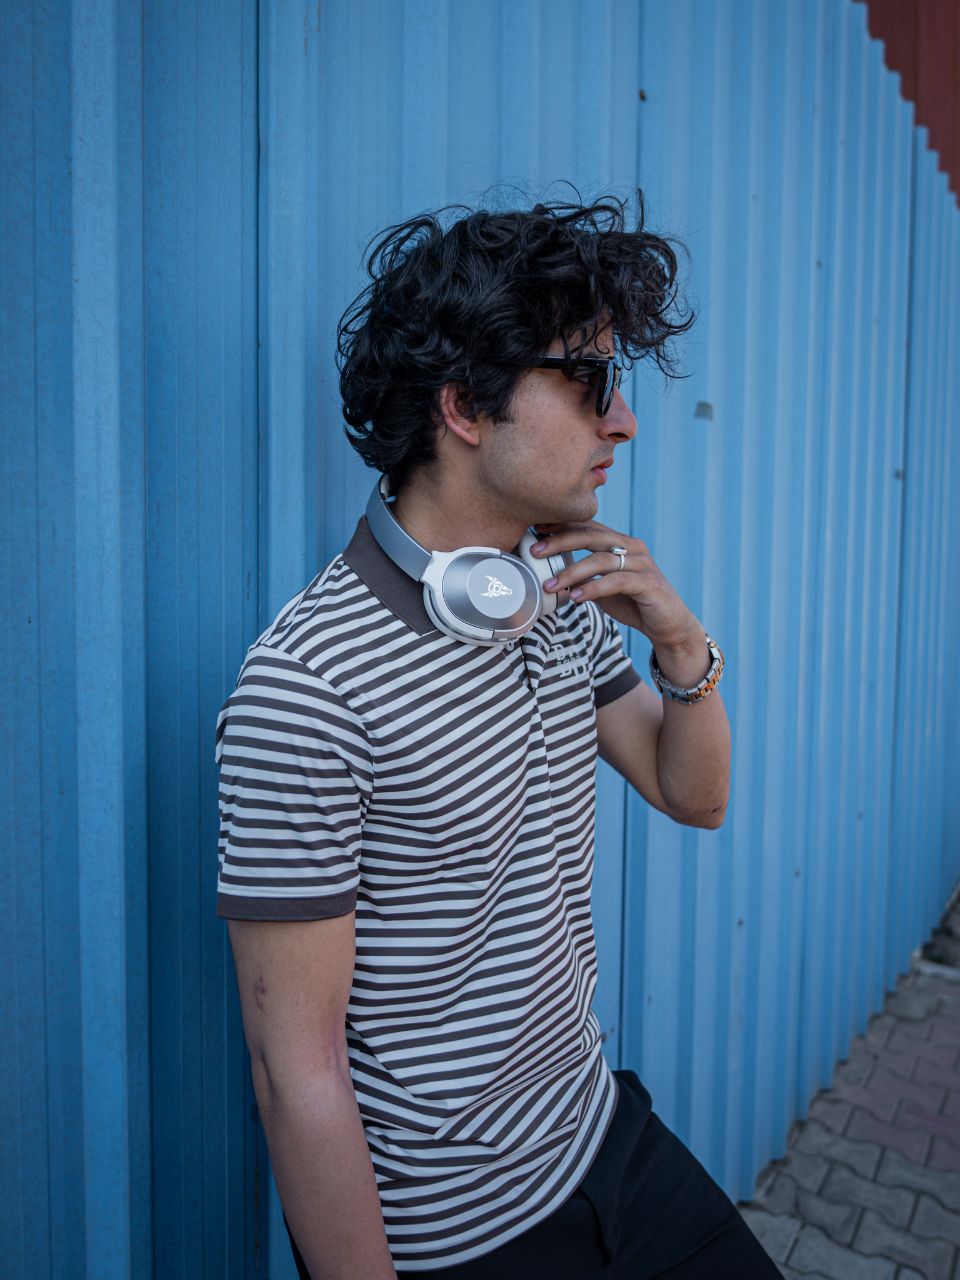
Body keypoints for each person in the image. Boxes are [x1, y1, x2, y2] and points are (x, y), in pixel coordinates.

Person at [214, 193, 779, 1279]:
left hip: (604, 1136)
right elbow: (297, 1076)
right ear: (466, 404)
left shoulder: (547, 594)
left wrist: (680, 641)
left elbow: (694, 794)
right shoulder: (307, 690)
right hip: (463, 1232)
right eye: (591, 382)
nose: (625, 422)